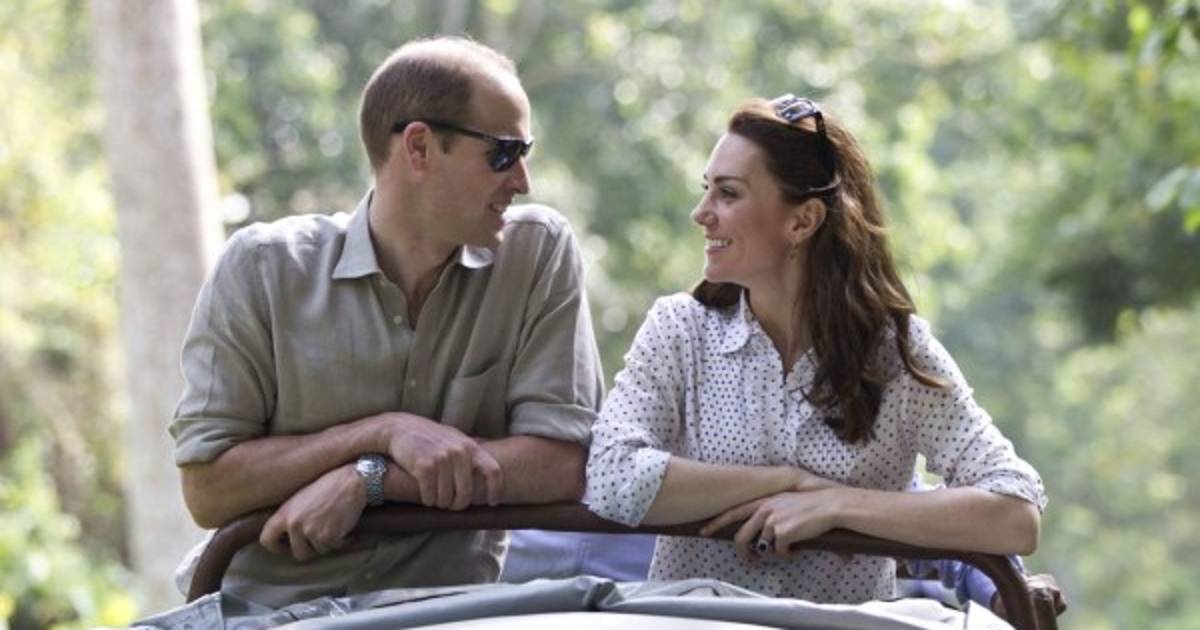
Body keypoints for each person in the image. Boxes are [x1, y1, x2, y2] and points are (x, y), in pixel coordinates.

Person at [169, 36, 603, 608]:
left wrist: (368, 480)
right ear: (419, 147)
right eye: (503, 153)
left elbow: (562, 464)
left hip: (446, 613)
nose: (522, 180)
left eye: (526, 153)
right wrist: (380, 432)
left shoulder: (537, 254)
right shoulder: (263, 268)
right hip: (268, 612)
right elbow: (207, 489)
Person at [584, 95, 1046, 605]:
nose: (701, 213)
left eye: (728, 193)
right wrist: (788, 483)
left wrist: (838, 505)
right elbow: (609, 475)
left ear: (802, 221)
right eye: (706, 190)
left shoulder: (896, 354)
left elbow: (1016, 513)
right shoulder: (679, 330)